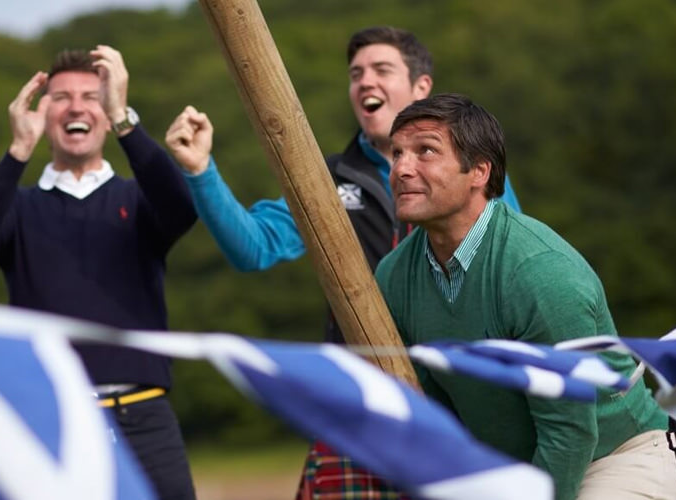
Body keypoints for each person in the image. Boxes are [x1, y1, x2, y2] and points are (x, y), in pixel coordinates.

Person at [166, 26, 520, 499]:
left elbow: (510, 270)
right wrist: (200, 172)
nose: (365, 82)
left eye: (381, 70)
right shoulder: (325, 180)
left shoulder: (473, 172)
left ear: (421, 88)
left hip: (460, 397)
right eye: (356, 74)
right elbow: (252, 247)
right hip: (361, 400)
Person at [374, 93, 676, 500]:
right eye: (396, 154)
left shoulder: (538, 270)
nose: (402, 168)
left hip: (616, 459)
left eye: (425, 151)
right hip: (512, 471)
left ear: (479, 172)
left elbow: (571, 431)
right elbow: (432, 405)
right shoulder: (394, 275)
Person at [0, 46, 197, 500]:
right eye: (60, 97)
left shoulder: (138, 200)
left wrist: (125, 116)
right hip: (52, 418)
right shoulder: (20, 207)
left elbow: (181, 206)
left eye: (91, 96)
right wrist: (17, 151)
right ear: (42, 115)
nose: (77, 106)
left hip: (143, 419)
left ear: (104, 114)